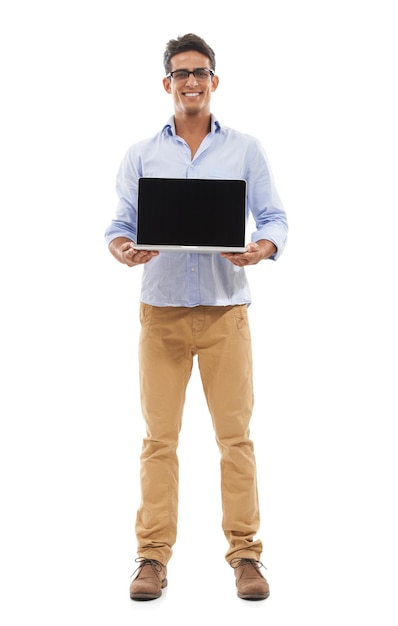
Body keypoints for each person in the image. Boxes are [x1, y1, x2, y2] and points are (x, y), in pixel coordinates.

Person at [105, 33, 288, 601]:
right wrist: (121, 247)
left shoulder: (246, 149)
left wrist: (263, 247)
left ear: (214, 80)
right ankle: (152, 558)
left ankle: (246, 556)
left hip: (224, 314)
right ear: (167, 83)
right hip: (160, 314)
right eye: (181, 72)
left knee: (235, 439)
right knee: (159, 440)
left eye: (200, 72)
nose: (191, 81)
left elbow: (274, 218)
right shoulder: (141, 153)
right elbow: (120, 224)